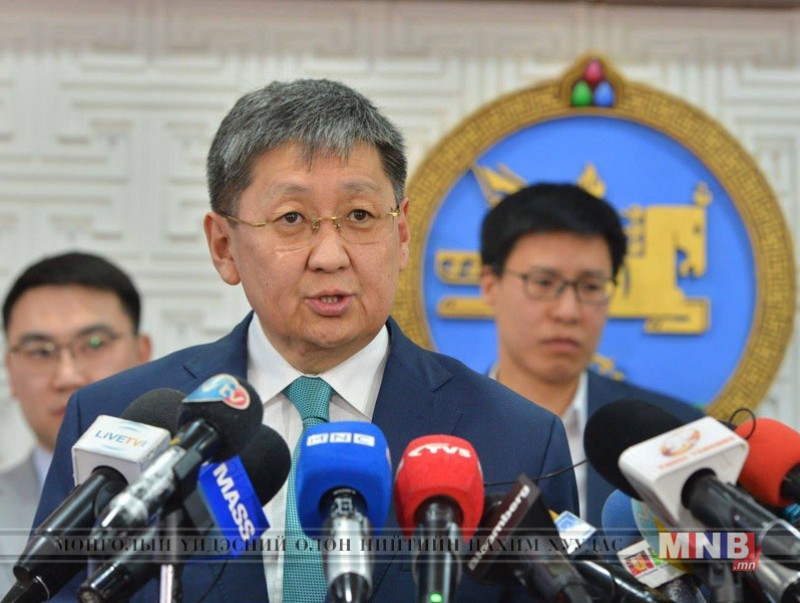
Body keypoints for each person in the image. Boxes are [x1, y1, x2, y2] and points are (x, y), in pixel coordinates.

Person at [33, 80, 577, 603]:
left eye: (360, 216)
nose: (331, 256)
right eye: (292, 218)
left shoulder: (518, 440)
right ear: (223, 246)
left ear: (402, 233)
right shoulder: (113, 419)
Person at [479, 182, 705, 526]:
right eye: (543, 283)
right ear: (489, 285)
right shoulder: (438, 431)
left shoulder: (676, 436)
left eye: (591, 287)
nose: (568, 311)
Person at [0, 251, 151, 591]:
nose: (67, 376)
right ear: (10, 369)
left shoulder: (203, 504)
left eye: (94, 344)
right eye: (40, 351)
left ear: (143, 354)